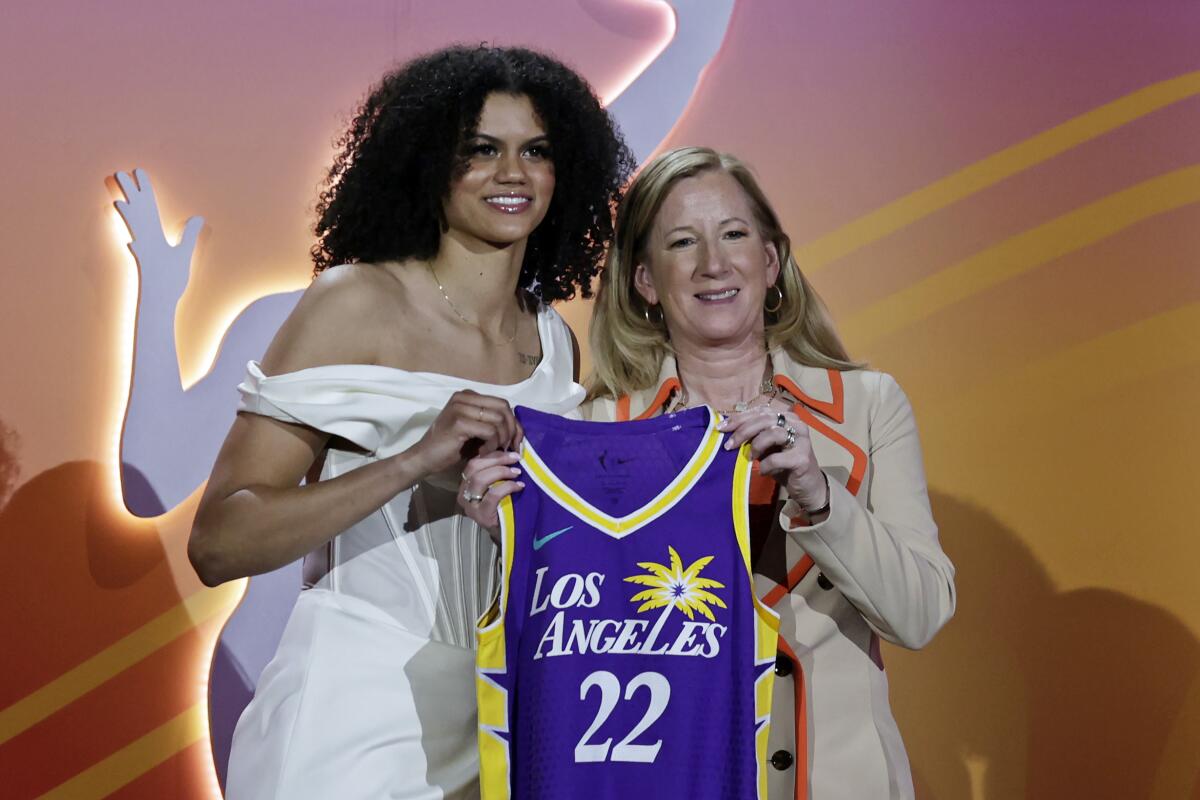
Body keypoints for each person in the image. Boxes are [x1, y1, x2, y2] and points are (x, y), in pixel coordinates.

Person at [188, 45, 633, 799]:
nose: (512, 175)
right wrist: (412, 462)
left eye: (536, 152)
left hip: (505, 710)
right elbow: (219, 542)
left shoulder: (553, 339)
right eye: (482, 151)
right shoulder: (353, 303)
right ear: (429, 162)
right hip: (355, 705)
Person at [459, 146, 955, 799]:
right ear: (644, 281)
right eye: (683, 243)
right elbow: (551, 649)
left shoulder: (869, 406)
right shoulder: (595, 428)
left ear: (771, 260)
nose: (713, 264)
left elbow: (920, 614)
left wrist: (817, 493)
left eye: (733, 235)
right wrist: (510, 540)